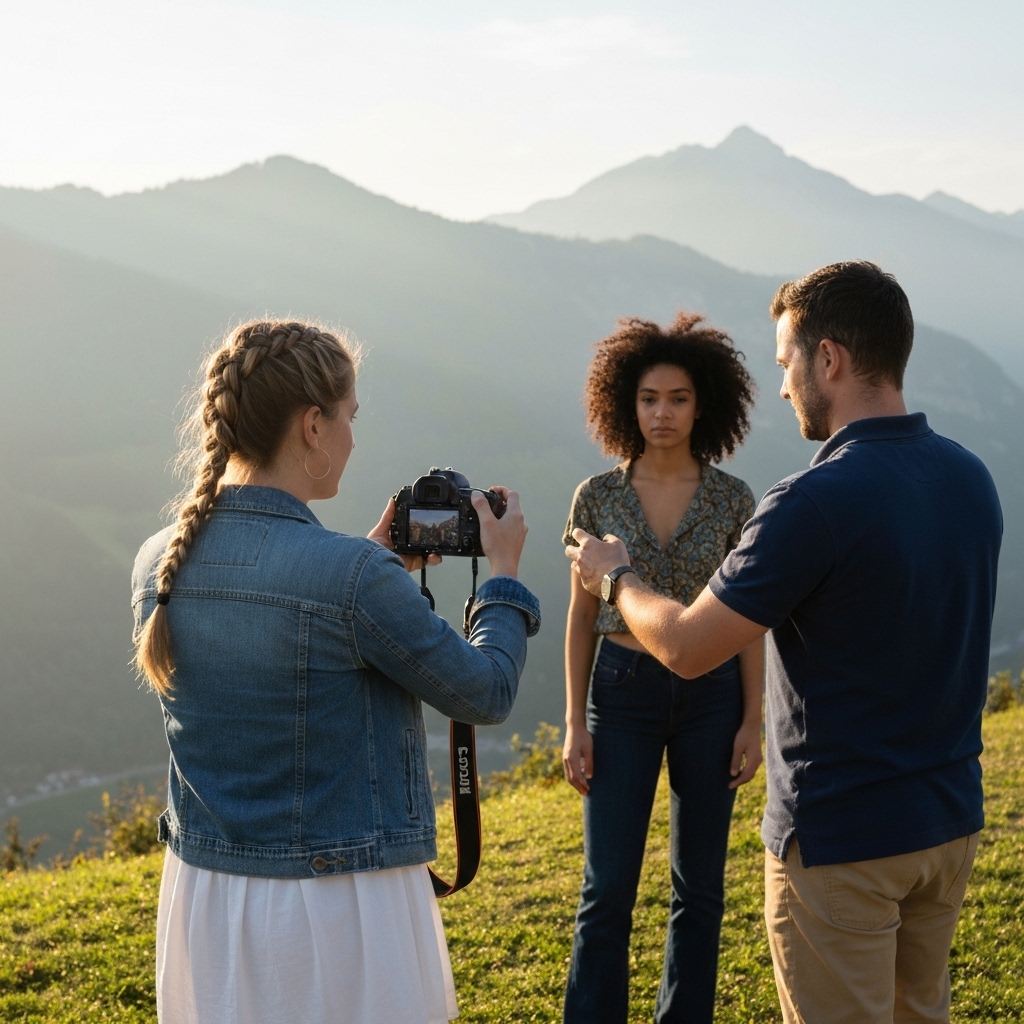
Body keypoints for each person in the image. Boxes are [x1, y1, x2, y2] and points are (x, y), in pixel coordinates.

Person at [566, 262, 1002, 1024]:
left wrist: (615, 577)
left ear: (827, 358)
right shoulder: (972, 478)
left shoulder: (810, 503)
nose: (786, 386)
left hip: (844, 843)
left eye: (786, 365)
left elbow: (688, 647)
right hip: (947, 826)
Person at [131, 320, 540, 1024]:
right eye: (350, 416)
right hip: (337, 909)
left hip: (205, 898)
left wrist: (376, 565)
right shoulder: (351, 577)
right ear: (313, 426)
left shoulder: (156, 559)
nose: (354, 435)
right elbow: (485, 691)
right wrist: (502, 575)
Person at [561, 313, 764, 1024]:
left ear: (702, 403)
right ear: (628, 403)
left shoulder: (735, 500)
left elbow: (746, 625)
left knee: (699, 888)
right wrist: (572, 724)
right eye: (649, 398)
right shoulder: (597, 497)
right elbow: (583, 617)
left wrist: (751, 718)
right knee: (606, 887)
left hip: (712, 698)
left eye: (677, 398)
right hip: (619, 699)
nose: (663, 413)